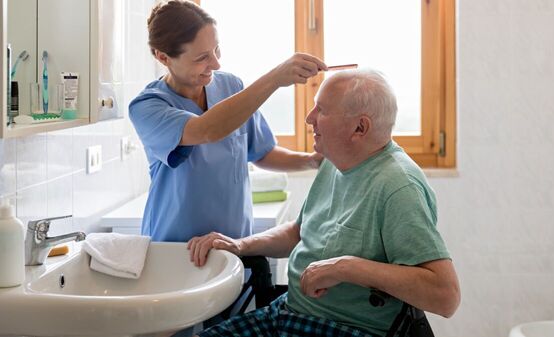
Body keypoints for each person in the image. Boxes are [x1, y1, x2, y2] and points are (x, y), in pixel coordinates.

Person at [190, 69, 461, 336]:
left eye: (321, 110)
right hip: (289, 313)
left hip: (343, 328)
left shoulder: (398, 187)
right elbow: (299, 232)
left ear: (360, 127)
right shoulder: (336, 161)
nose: (309, 118)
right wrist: (241, 245)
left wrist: (346, 268)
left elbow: (446, 296)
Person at [129, 1, 327, 247]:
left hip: (235, 246)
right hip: (175, 250)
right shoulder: (148, 107)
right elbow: (206, 129)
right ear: (163, 57)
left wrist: (312, 161)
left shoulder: (231, 87)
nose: (216, 64)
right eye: (202, 57)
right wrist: (276, 78)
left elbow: (261, 153)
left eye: (217, 50)